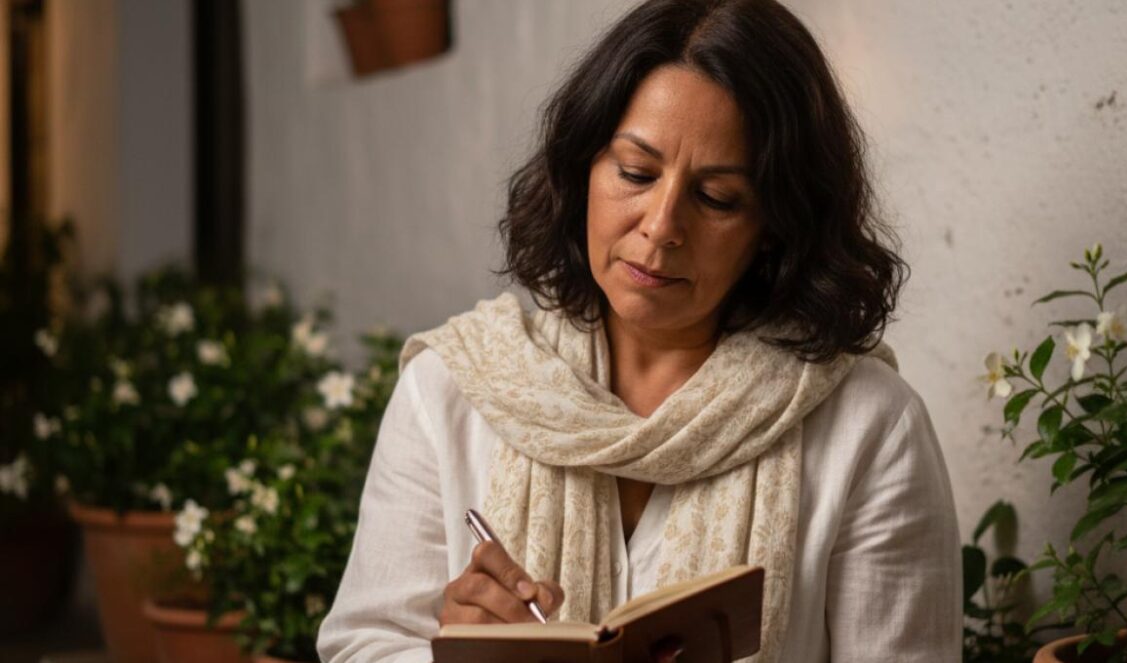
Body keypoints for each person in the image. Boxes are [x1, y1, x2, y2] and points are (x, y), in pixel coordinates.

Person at [317, 0, 961, 661]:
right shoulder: (452, 390)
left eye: (716, 198)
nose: (661, 225)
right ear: (582, 170)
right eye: (635, 172)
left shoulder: (867, 426)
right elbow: (361, 646)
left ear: (776, 228)